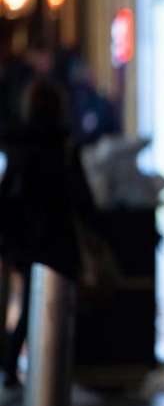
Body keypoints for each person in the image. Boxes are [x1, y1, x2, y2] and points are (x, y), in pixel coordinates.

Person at [0, 77, 96, 387]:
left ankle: (13, 368)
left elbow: (7, 196)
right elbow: (82, 199)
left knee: (30, 306)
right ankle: (57, 368)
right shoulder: (65, 147)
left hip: (28, 242)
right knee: (63, 306)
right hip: (58, 239)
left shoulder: (19, 146)